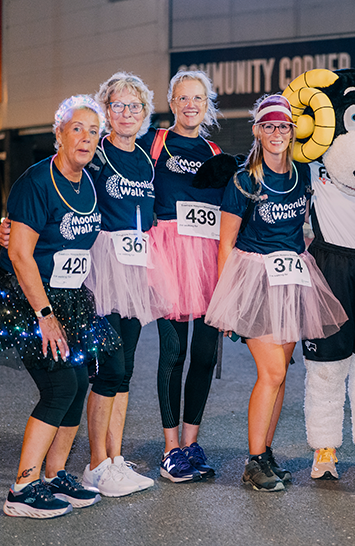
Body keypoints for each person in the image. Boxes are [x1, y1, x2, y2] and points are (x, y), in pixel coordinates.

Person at [0, 96, 116, 518]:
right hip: (30, 300)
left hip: (70, 298)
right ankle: (22, 488)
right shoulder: (36, 182)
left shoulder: (90, 179)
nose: (86, 137)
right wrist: (45, 315)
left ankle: (53, 476)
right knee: (59, 387)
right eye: (77, 128)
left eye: (93, 130)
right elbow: (19, 254)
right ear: (58, 134)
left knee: (78, 382)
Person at [204, 94, 347, 492]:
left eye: (283, 126)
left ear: (292, 130)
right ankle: (253, 462)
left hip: (292, 280)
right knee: (272, 373)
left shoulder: (302, 174)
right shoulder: (244, 179)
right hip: (254, 278)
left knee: (280, 376)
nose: (276, 133)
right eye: (268, 125)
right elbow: (225, 243)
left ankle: (265, 454)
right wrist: (225, 301)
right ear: (257, 130)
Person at [80, 72, 163, 496]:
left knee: (125, 369)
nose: (126, 113)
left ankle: (114, 458)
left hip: (136, 269)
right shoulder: (96, 155)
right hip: (102, 268)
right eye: (117, 105)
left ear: (144, 113)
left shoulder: (148, 160)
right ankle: (94, 465)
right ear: (106, 110)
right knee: (107, 370)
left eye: (134, 106)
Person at [142, 70, 226, 482]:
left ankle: (191, 444)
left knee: (206, 354)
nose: (190, 105)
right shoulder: (152, 143)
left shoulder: (215, 151)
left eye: (198, 98)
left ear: (206, 104)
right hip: (169, 256)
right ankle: (170, 448)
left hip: (209, 258)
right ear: (171, 103)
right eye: (182, 98)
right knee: (173, 352)